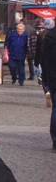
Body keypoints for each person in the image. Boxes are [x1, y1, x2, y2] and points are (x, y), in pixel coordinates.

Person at [38, 18, 56, 150]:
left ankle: (55, 140)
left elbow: (44, 60)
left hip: (52, 76)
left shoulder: (47, 37)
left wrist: (45, 78)